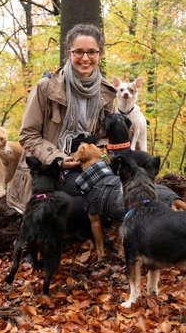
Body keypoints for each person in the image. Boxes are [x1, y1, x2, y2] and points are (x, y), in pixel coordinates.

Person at [7, 24, 117, 214]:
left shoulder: (105, 92)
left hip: (86, 160)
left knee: (112, 186)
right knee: (93, 193)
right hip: (50, 168)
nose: (85, 58)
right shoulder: (47, 87)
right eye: (79, 52)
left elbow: (106, 136)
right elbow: (28, 135)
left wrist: (97, 153)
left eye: (92, 52)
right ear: (69, 53)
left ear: (99, 54)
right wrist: (58, 158)